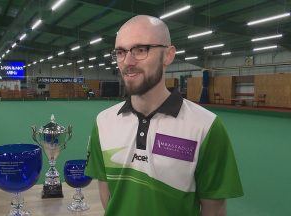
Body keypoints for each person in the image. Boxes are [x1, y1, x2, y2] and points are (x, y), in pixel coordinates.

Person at [85, 15, 243, 216]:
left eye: (140, 50)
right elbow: (107, 193)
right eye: (121, 52)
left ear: (168, 55)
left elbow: (214, 209)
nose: (128, 61)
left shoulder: (206, 126)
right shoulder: (103, 122)